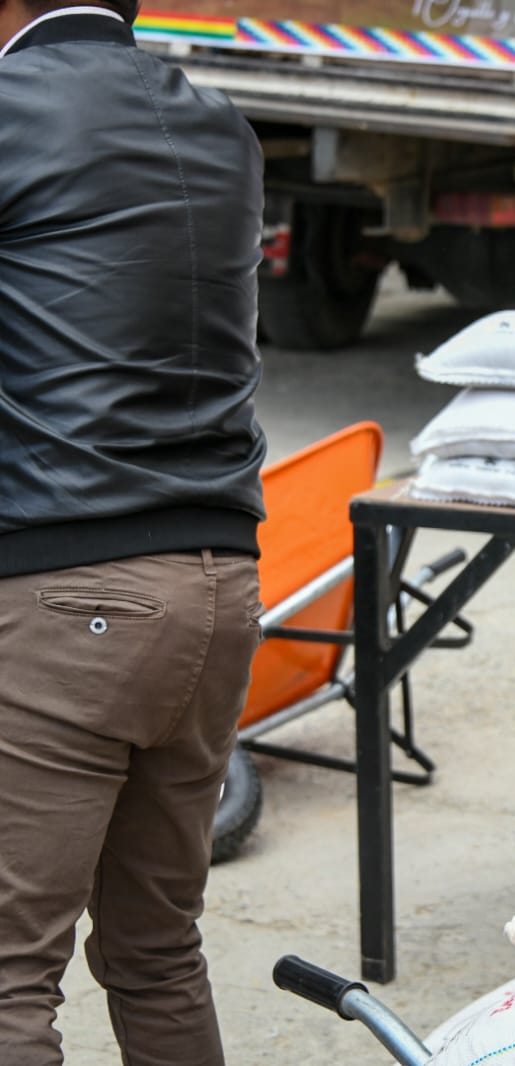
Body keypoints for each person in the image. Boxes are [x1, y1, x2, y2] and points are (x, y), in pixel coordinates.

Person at [0, 1, 267, 1062]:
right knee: (157, 949)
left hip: (71, 590)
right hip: (218, 583)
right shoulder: (220, 124)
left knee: (10, 977)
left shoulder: (11, 109)